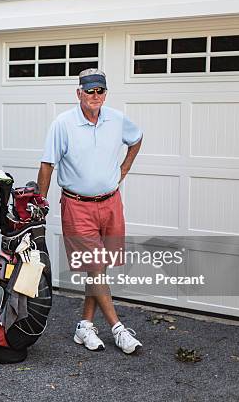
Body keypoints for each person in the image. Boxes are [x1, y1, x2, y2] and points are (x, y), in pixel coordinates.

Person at [37, 68, 143, 354]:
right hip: (77, 206)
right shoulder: (63, 123)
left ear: (105, 93)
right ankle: (118, 328)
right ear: (78, 93)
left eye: (100, 91)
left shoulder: (117, 120)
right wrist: (40, 204)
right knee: (96, 269)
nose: (95, 96)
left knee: (99, 270)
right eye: (89, 91)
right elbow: (47, 164)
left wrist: (124, 169)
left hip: (110, 203)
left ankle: (84, 325)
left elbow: (137, 138)